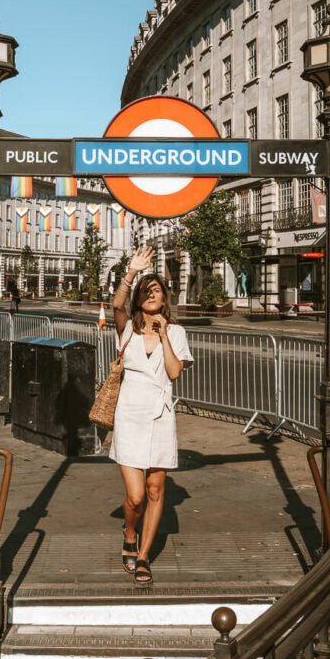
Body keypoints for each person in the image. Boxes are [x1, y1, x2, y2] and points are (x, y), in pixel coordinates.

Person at [110, 246, 193, 585]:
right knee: (136, 496)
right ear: (139, 299)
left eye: (156, 290)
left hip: (160, 416)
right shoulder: (127, 328)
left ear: (164, 299)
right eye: (146, 291)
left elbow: (174, 372)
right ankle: (130, 531)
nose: (151, 295)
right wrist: (132, 272)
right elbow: (116, 304)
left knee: (156, 489)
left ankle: (143, 555)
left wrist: (163, 335)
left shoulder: (175, 332)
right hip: (128, 415)